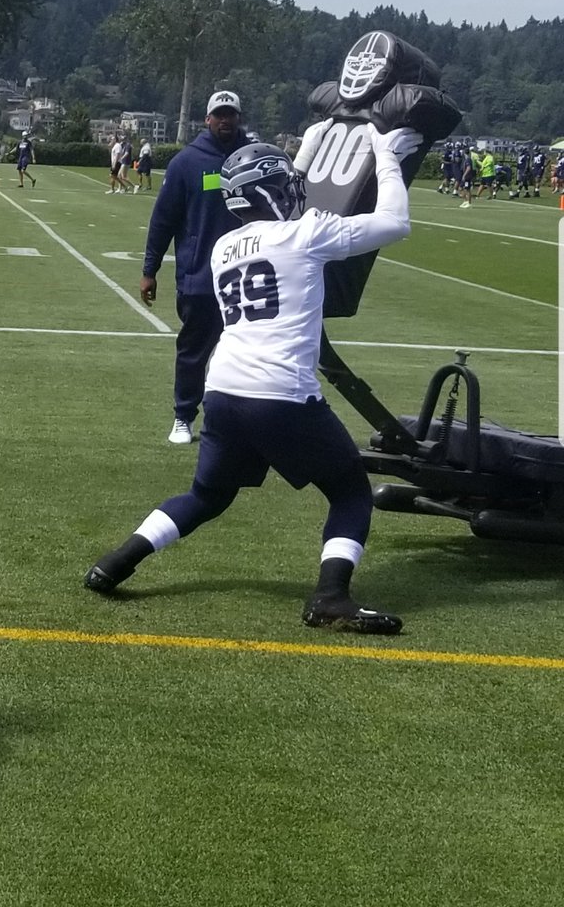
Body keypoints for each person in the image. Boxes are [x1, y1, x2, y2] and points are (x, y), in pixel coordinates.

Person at [84, 121, 422, 635]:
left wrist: (304, 149)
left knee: (207, 495)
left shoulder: (225, 247)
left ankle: (115, 562)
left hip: (223, 390)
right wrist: (387, 158)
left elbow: (281, 208)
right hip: (280, 393)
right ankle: (331, 597)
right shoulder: (304, 234)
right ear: (271, 192)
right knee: (350, 491)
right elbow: (395, 223)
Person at [140, 89, 248, 444]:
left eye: (230, 114)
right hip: (201, 278)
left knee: (250, 355)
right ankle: (183, 416)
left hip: (247, 279)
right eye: (219, 114)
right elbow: (163, 221)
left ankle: (245, 423)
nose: (225, 120)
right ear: (207, 119)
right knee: (193, 353)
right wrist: (149, 269)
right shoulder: (187, 162)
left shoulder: (255, 158)